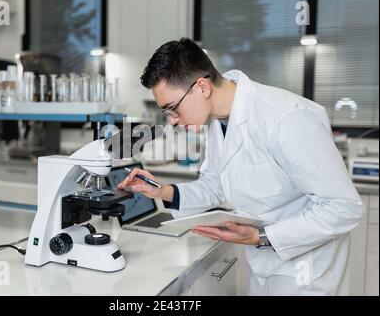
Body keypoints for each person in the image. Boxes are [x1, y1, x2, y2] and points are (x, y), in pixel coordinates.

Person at [117, 38, 363, 295]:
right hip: (263, 261)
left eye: (172, 109)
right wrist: (162, 191)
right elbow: (215, 185)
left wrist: (263, 237)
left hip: (306, 270)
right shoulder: (217, 120)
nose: (174, 121)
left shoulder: (285, 117)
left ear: (202, 87)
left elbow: (343, 207)